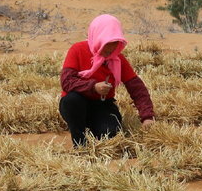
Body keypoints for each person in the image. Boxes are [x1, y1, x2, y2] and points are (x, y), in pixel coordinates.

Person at [59, 14, 155, 146]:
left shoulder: (117, 58)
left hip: (102, 104)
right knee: (72, 100)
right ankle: (79, 142)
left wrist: (147, 116)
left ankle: (92, 126)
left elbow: (136, 88)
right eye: (107, 43)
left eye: (115, 43)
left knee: (110, 135)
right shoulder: (77, 50)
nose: (110, 48)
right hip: (78, 103)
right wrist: (93, 87)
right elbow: (66, 81)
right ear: (98, 37)